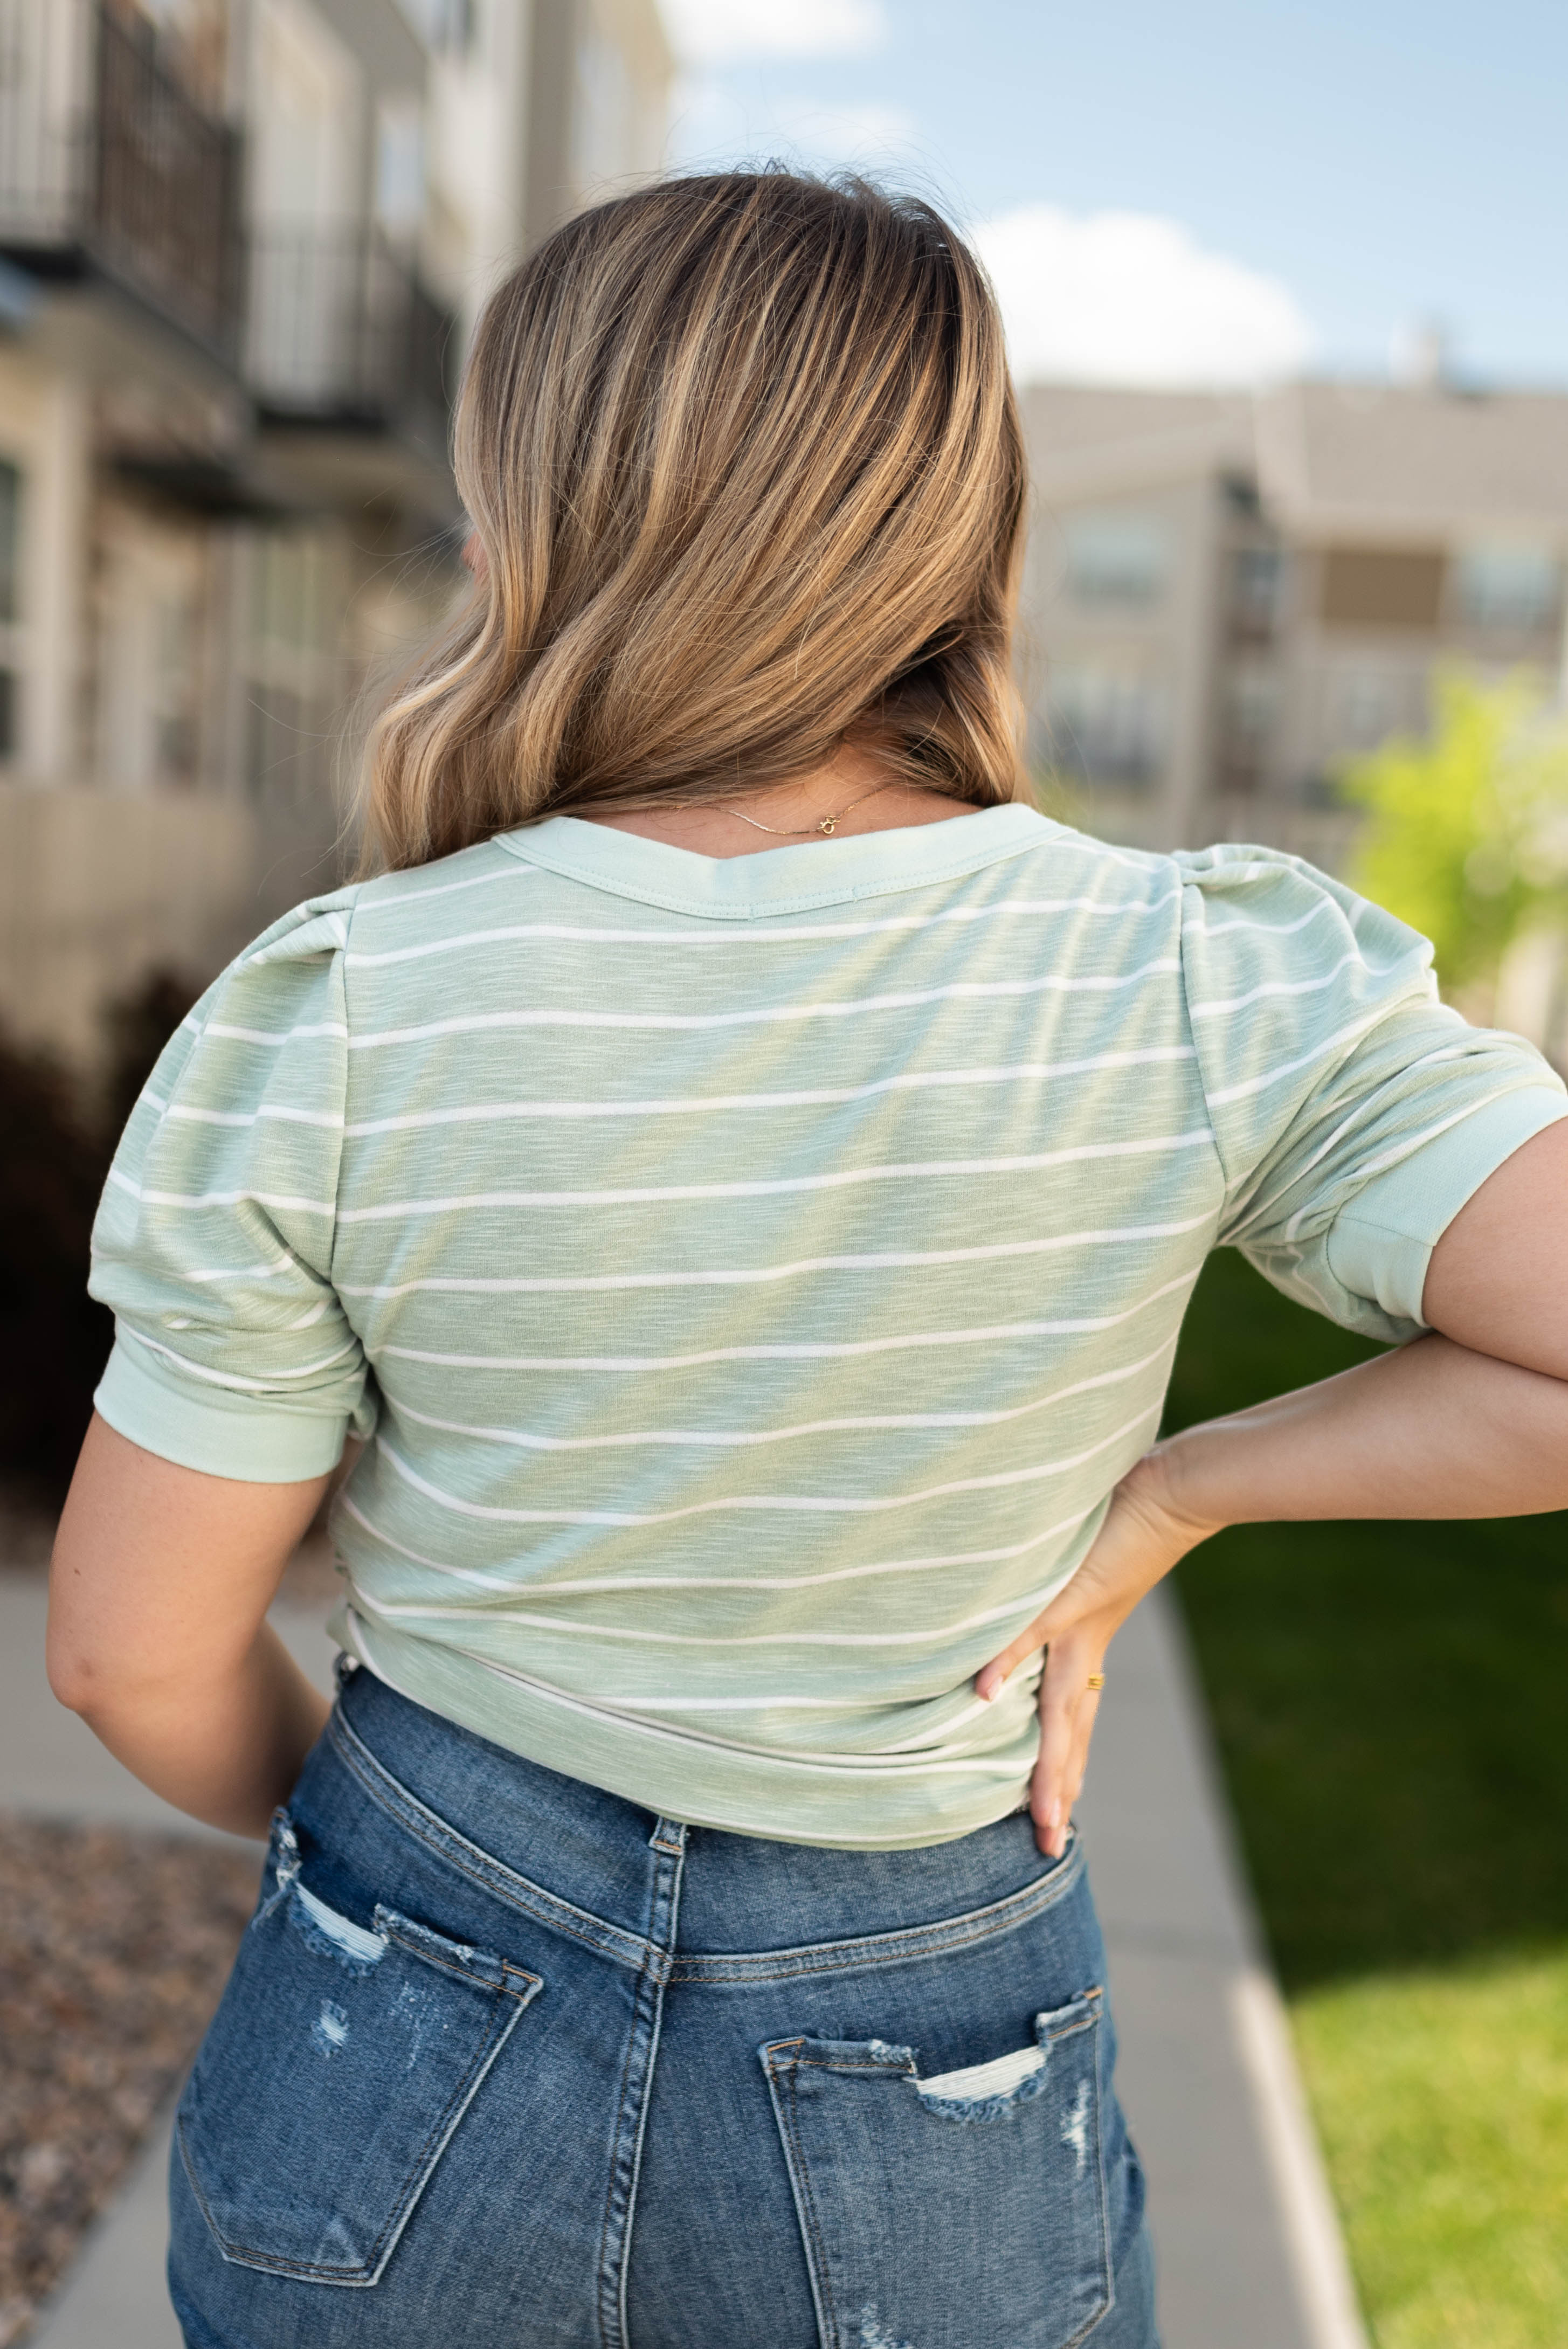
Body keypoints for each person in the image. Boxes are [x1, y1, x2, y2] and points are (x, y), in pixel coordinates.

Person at [48, 171, 1568, 2349]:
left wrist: (418, 1874)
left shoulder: (349, 1002)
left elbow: (127, 1653)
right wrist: (1172, 1494)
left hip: (402, 2024)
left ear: (559, 520)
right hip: (937, 2069)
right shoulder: (1194, 975)